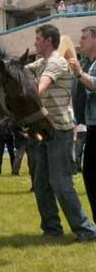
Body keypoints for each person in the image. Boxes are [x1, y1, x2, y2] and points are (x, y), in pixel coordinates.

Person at [27, 24, 96, 242]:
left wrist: (28, 96)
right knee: (41, 184)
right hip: (46, 131)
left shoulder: (56, 62)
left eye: (38, 38)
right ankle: (51, 228)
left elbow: (40, 88)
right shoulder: (43, 62)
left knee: (61, 183)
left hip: (60, 132)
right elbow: (24, 70)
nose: (35, 42)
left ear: (48, 40)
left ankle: (86, 230)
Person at [69, 26, 96, 223]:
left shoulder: (87, 66)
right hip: (91, 125)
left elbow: (94, 84)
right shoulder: (88, 62)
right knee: (89, 174)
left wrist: (78, 73)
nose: (81, 41)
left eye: (84, 37)